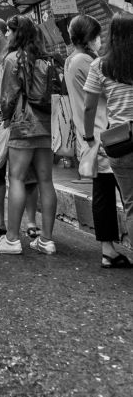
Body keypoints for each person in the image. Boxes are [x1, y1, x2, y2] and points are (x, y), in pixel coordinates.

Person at [65, 15, 130, 268]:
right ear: (90, 37)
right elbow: (109, 91)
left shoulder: (73, 60)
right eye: (97, 36)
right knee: (121, 194)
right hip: (106, 133)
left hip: (92, 134)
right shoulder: (86, 61)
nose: (100, 41)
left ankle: (108, 249)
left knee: (103, 192)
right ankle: (108, 249)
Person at [0, 16, 57, 256]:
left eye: (9, 32)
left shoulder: (13, 59)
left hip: (23, 124)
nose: (7, 36)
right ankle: (47, 240)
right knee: (46, 181)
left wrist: (5, 119)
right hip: (46, 124)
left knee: (17, 178)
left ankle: (12, 239)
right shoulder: (46, 60)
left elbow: (8, 96)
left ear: (16, 33)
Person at [0, 18, 39, 239]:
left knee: (26, 176)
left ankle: (31, 222)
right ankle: (0, 222)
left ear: (1, 33)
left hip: (18, 123)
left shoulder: (19, 57)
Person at [84, 13, 133, 259]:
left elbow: (89, 107)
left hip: (120, 141)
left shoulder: (100, 65)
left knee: (131, 203)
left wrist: (88, 136)